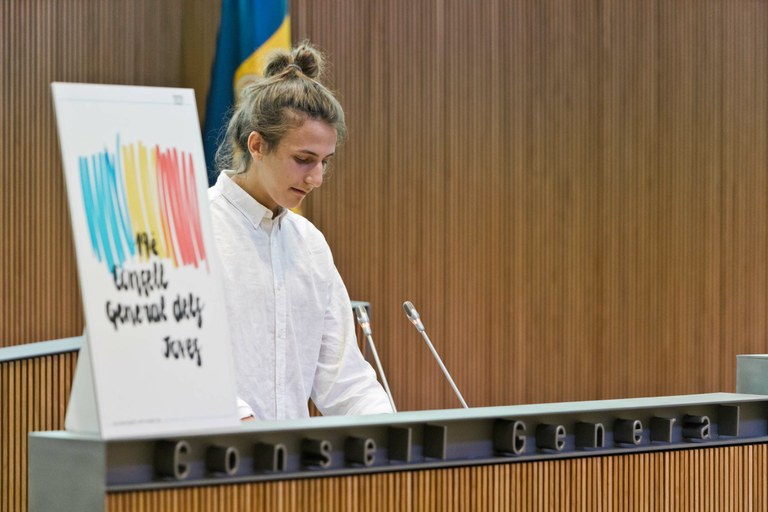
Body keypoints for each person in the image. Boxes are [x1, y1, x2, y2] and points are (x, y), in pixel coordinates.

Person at [209, 42, 394, 421]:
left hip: (290, 457)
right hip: (213, 450)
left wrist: (392, 434)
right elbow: (177, 361)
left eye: (325, 162)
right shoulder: (192, 228)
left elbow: (346, 382)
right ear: (257, 145)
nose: (317, 178)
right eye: (303, 160)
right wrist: (244, 426)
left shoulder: (310, 244)